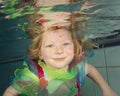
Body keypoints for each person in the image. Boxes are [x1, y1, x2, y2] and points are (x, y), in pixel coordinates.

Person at [1, 0, 117, 96]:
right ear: (40, 53)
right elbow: (11, 91)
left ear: (75, 46)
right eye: (50, 45)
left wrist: (106, 89)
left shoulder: (76, 68)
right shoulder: (34, 75)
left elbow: (90, 69)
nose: (59, 51)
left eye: (66, 44)